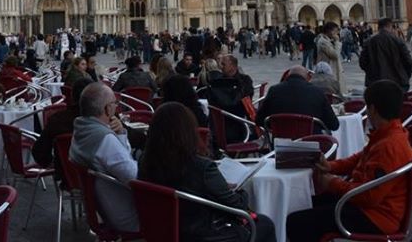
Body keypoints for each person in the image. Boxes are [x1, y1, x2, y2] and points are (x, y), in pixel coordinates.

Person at [286, 81, 412, 242]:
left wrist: (332, 183)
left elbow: (369, 196)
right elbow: (358, 159)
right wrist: (331, 166)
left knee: (297, 221)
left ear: (373, 109)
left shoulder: (389, 146)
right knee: (308, 203)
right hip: (371, 207)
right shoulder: (390, 134)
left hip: (375, 217)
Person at [140, 102, 276, 242]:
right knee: (265, 224)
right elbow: (237, 205)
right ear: (189, 131)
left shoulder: (145, 161)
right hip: (204, 234)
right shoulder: (201, 167)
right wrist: (239, 190)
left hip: (164, 231)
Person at [69, 82, 140, 234]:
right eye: (115, 103)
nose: (116, 107)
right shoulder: (104, 139)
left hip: (103, 210)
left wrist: (120, 133)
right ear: (108, 109)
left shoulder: (82, 130)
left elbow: (122, 158)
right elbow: (135, 177)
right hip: (127, 214)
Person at [32, 77, 93, 176]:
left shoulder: (57, 119)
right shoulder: (105, 118)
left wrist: (57, 165)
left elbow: (39, 152)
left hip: (68, 177)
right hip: (103, 180)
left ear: (72, 96)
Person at [256, 66, 339, 133]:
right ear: (307, 77)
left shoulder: (274, 90)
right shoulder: (317, 92)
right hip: (311, 143)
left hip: (280, 144)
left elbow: (259, 120)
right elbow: (334, 125)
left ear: (288, 76)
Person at [358, 18, 412, 91]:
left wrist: (371, 72)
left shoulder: (369, 42)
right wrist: (405, 75)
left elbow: (362, 62)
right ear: (390, 26)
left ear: (378, 27)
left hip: (375, 83)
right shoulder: (398, 41)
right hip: (397, 82)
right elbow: (408, 61)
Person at [315, 22, 344, 94]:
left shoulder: (327, 40)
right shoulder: (323, 42)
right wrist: (337, 42)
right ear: (329, 31)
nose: (337, 33)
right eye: (335, 31)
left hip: (332, 68)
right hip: (329, 70)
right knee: (331, 89)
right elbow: (335, 55)